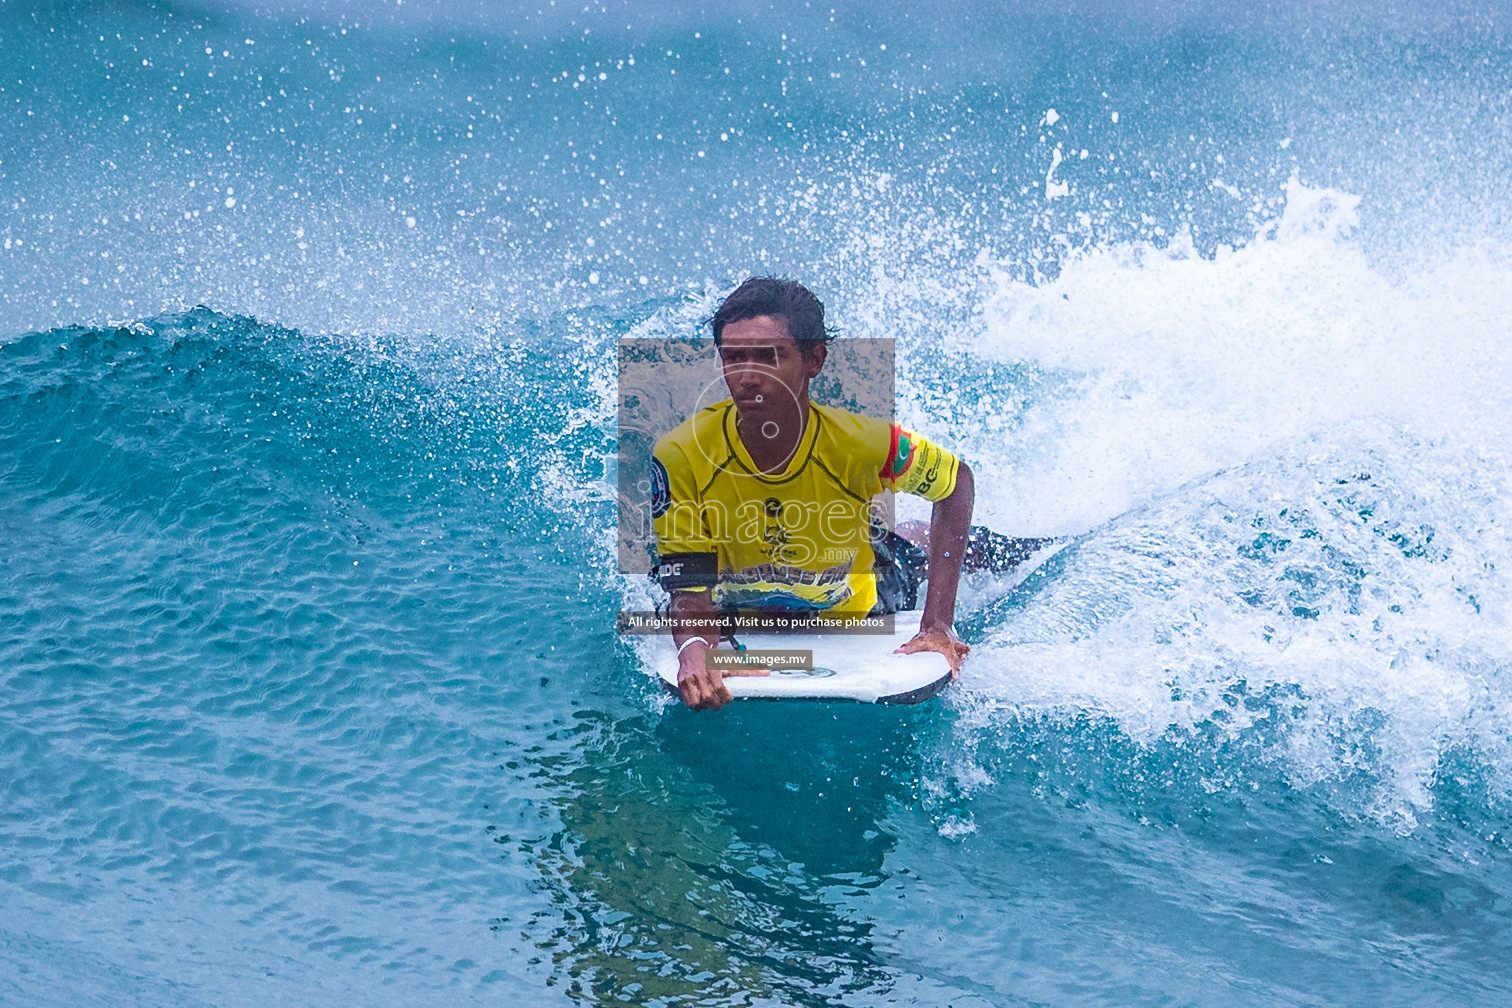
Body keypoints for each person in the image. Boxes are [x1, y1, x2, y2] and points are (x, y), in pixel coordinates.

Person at [651, 277, 1021, 710]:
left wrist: (938, 622)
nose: (748, 376)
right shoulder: (681, 455)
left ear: (814, 359)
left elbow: (956, 480)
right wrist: (694, 645)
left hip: (862, 604)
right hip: (743, 609)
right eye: (734, 358)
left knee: (912, 550)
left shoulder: (864, 445)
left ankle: (1030, 547)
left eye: (770, 358)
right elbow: (690, 589)